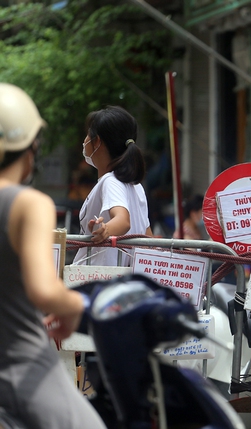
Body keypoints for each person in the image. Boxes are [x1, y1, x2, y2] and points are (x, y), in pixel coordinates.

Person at [0, 83, 106, 428]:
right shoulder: (28, 204)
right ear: (32, 147)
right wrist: (74, 307)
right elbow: (44, 290)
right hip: (18, 367)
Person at [73, 105, 152, 266]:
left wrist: (106, 231)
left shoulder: (111, 182)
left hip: (96, 282)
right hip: (123, 282)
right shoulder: (135, 186)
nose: (85, 140)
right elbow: (148, 239)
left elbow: (123, 220)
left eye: (88, 134)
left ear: (97, 142)